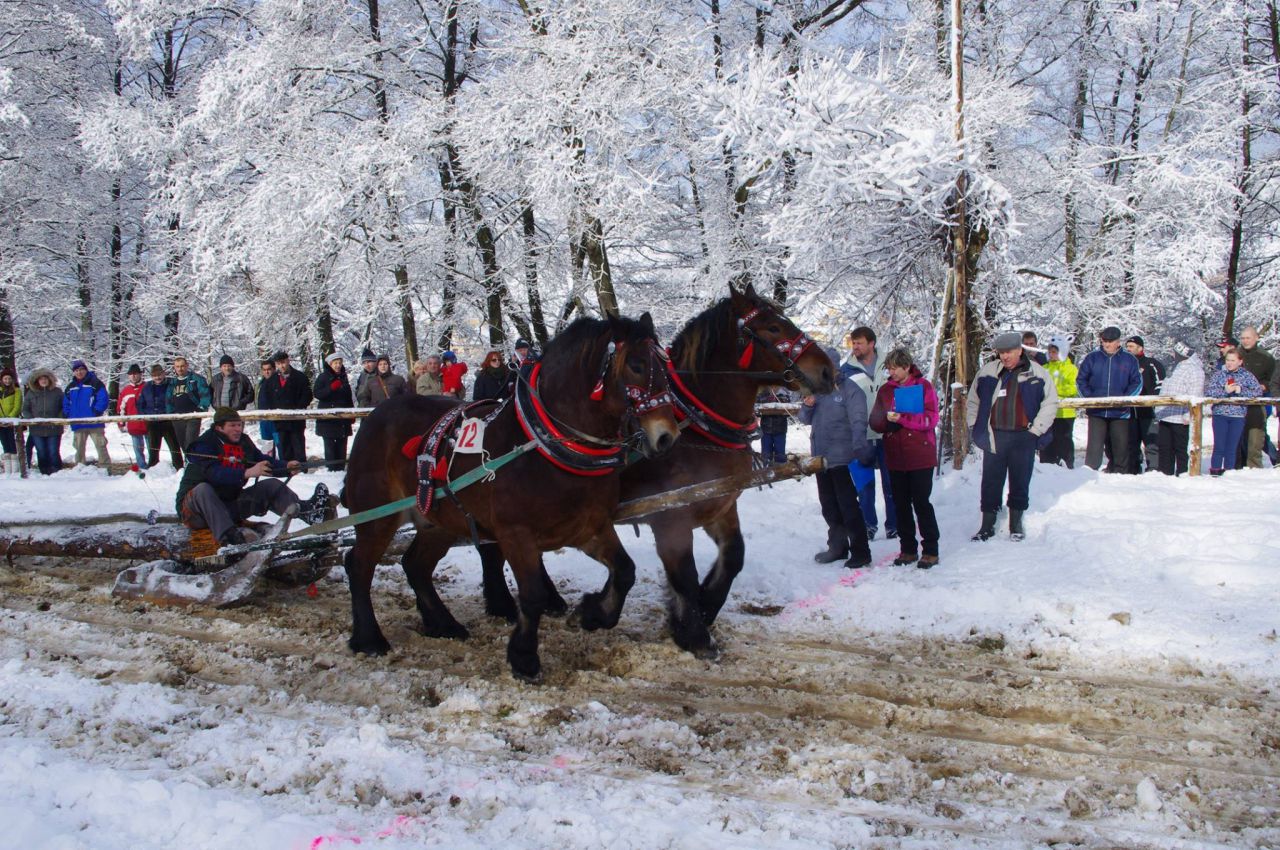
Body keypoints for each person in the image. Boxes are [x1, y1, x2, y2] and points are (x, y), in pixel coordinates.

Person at [966, 332, 1059, 541]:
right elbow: (973, 401)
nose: (1005, 357)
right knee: (990, 481)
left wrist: (1037, 430)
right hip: (995, 435)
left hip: (1024, 436)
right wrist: (975, 425)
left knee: (1020, 479)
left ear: (1020, 350)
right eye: (1001, 353)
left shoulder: (1037, 373)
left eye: (1009, 352)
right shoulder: (988, 372)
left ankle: (1016, 523)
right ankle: (987, 525)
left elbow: (1050, 403)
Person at [175, 407, 306, 548]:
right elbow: (215, 473)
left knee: (271, 485)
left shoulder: (243, 442)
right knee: (203, 489)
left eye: (239, 425)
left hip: (228, 505)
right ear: (219, 428)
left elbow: (260, 460)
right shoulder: (203, 445)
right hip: (195, 511)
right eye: (232, 425)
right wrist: (246, 473)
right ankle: (228, 539)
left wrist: (286, 467)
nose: (238, 429)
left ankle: (307, 512)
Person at [798, 348, 873, 569]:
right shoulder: (817, 391)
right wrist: (807, 405)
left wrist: (860, 448)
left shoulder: (850, 390)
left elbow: (859, 421)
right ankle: (838, 547)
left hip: (843, 458)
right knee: (829, 506)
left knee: (849, 507)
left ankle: (861, 551)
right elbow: (804, 419)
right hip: (821, 458)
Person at [868, 349, 940, 568]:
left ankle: (930, 549)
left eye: (893, 368)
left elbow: (931, 418)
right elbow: (875, 420)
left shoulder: (924, 386)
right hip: (895, 455)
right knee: (900, 504)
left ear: (906, 366)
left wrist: (903, 419)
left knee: (921, 502)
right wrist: (885, 423)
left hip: (920, 454)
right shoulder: (886, 390)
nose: (890, 372)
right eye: (888, 368)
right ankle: (907, 549)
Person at [841, 326, 897, 540]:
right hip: (860, 436)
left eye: (859, 343)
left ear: (871, 343)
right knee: (864, 486)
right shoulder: (846, 371)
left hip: (888, 434)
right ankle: (868, 525)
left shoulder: (890, 364)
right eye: (853, 343)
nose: (855, 347)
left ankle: (894, 524)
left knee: (891, 483)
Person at [1075, 326, 1141, 473]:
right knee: (1094, 447)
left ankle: (1121, 474)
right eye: (1104, 341)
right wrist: (1090, 399)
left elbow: (1137, 382)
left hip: (1120, 411)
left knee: (1121, 447)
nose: (1107, 344)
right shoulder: (1092, 358)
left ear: (1118, 341)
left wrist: (1125, 399)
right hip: (1097, 411)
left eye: (1110, 341)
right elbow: (1081, 380)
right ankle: (1088, 475)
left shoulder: (1129, 360)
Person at [1206, 347, 1263, 476]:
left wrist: (1240, 390)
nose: (1229, 363)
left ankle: (1229, 473)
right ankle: (1215, 472)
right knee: (1219, 446)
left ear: (1240, 361)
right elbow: (1209, 392)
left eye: (1232, 360)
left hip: (1238, 415)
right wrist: (1224, 391)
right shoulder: (1219, 375)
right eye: (1227, 360)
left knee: (1231, 447)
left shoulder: (1246, 375)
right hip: (1220, 414)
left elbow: (1257, 392)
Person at [1154, 341, 1204, 476]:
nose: (1173, 355)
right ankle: (1165, 474)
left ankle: (1183, 473)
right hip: (1166, 415)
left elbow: (1195, 393)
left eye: (1175, 352)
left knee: (1181, 449)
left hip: (1180, 418)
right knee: (1165, 448)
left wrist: (1188, 415)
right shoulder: (1176, 367)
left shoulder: (1195, 370)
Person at [1124, 336, 1165, 473]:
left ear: (1140, 348)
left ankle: (1153, 469)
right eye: (1127, 346)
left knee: (1151, 442)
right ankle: (1133, 468)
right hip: (1130, 412)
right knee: (1131, 443)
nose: (1128, 349)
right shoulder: (1124, 365)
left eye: (1131, 346)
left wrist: (1153, 401)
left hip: (1148, 411)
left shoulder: (1151, 364)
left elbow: (1160, 384)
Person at [1236, 327, 1275, 468]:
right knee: (1238, 438)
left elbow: (1271, 380)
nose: (1245, 341)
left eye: (1248, 338)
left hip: (1258, 402)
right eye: (1243, 338)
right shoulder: (1236, 354)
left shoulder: (1266, 358)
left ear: (1256, 338)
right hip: (1236, 403)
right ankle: (1237, 467)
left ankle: (1255, 468)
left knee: (1256, 437)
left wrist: (1263, 387)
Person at [267, 350, 313, 465]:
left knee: (298, 449)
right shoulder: (272, 380)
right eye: (278, 364)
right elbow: (269, 398)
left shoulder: (300, 377)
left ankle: (302, 472)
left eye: (283, 362)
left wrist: (297, 409)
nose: (281, 366)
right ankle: (286, 470)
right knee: (284, 449)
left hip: (296, 421)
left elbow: (307, 395)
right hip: (280, 421)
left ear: (288, 361)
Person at [63, 359, 111, 466]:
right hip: (78, 422)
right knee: (79, 448)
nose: (79, 372)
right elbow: (66, 402)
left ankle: (105, 467)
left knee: (101, 446)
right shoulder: (71, 387)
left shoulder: (95, 383)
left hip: (94, 422)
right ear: (74, 372)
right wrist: (68, 414)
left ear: (86, 370)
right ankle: (80, 468)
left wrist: (97, 411)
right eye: (76, 370)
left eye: (81, 369)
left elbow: (103, 398)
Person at [1039, 338, 1078, 467]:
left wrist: (1055, 390)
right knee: (1047, 441)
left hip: (1065, 413)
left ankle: (1067, 464)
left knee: (1064, 440)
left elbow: (1073, 388)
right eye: (1050, 351)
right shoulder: (1044, 368)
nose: (1052, 354)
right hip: (1047, 412)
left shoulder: (1071, 369)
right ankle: (1046, 465)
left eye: (1055, 351)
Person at [312, 352, 354, 472]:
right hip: (328, 421)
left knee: (342, 447)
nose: (338, 365)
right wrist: (330, 388)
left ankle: (340, 469)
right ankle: (331, 470)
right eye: (335, 363)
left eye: (340, 363)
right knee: (330, 448)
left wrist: (351, 414)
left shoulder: (344, 377)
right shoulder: (323, 377)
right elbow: (317, 394)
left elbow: (348, 397)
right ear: (330, 364)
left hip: (342, 420)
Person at [21, 368, 64, 475]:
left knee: (53, 451)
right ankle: (44, 471)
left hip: (54, 428)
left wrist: (58, 419)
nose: (43, 381)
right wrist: (31, 420)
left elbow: (64, 407)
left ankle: (56, 471)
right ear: (37, 381)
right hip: (37, 429)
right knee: (41, 452)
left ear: (50, 379)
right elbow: (25, 409)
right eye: (41, 379)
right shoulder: (31, 393)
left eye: (45, 378)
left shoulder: (57, 392)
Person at [139, 364, 183, 469]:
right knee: (153, 448)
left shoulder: (170, 384)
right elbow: (141, 403)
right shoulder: (147, 387)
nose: (157, 377)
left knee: (174, 447)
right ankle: (153, 468)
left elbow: (177, 400)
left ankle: (179, 467)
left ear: (163, 374)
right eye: (154, 375)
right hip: (153, 421)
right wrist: (146, 414)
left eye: (159, 375)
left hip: (168, 421)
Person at [166, 355, 212, 452]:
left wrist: (201, 409)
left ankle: (193, 463)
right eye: (177, 366)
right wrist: (170, 413)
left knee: (191, 442)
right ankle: (188, 461)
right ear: (174, 368)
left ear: (187, 366)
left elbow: (205, 394)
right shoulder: (172, 382)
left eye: (182, 366)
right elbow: (168, 399)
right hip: (177, 417)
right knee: (182, 442)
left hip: (193, 415)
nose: (180, 369)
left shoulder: (196, 379)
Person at [116, 364, 150, 472]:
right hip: (133, 425)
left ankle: (154, 466)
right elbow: (121, 409)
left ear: (140, 374)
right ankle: (142, 466)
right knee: (137, 448)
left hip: (148, 424)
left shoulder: (147, 387)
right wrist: (121, 423)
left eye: (136, 374)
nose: (134, 376)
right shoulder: (126, 391)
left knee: (152, 448)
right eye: (131, 374)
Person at [756, 386, 792, 465]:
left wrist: (778, 401)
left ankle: (780, 472)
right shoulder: (763, 393)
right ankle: (766, 471)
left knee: (780, 454)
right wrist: (767, 399)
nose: (773, 386)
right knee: (766, 454)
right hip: (766, 429)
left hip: (780, 429)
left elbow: (789, 411)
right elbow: (756, 408)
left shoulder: (784, 393)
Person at [255, 359, 279, 458]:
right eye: (264, 370)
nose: (267, 372)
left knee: (279, 443)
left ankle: (284, 467)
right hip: (263, 418)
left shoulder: (278, 381)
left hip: (276, 418)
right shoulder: (260, 383)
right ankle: (269, 465)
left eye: (269, 369)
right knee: (266, 444)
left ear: (273, 369)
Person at [0, 367, 22, 470]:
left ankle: (15, 468)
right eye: (5, 379)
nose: (7, 381)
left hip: (12, 421)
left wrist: (10, 417)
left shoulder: (16, 391)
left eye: (9, 378)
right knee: (4, 442)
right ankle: (8, 467)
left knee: (12, 442)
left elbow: (17, 406)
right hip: (1, 421)